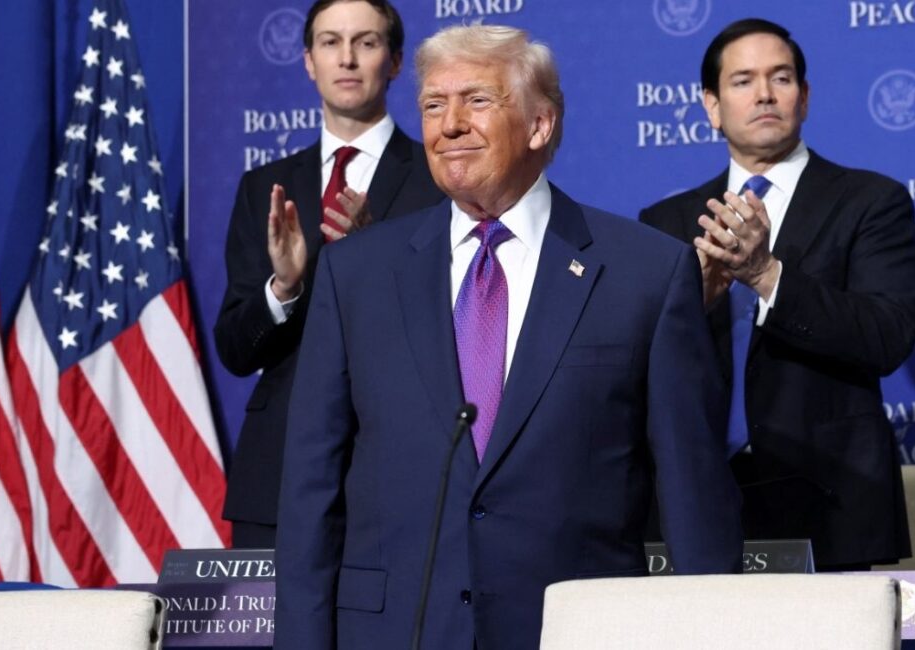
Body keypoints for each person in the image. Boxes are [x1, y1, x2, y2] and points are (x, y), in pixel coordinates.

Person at [273, 23, 743, 650]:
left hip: (580, 631)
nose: (449, 125)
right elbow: (311, 484)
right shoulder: (357, 273)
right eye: (433, 106)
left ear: (540, 126)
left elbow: (692, 489)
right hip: (396, 630)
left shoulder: (645, 272)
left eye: (477, 100)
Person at [639, 18, 915, 570]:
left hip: (826, 496)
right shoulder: (667, 220)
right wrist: (692, 304)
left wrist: (767, 274)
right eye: (743, 81)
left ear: (805, 96)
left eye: (782, 77)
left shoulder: (870, 201)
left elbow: (887, 335)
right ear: (712, 106)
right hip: (695, 501)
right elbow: (637, 363)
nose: (765, 94)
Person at [214, 0, 443, 548]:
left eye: (365, 42)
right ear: (308, 61)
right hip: (280, 470)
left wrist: (374, 254)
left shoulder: (440, 181)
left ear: (393, 61)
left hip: (399, 466)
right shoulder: (264, 186)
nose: (347, 58)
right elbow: (236, 349)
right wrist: (284, 289)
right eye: (330, 42)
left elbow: (453, 328)